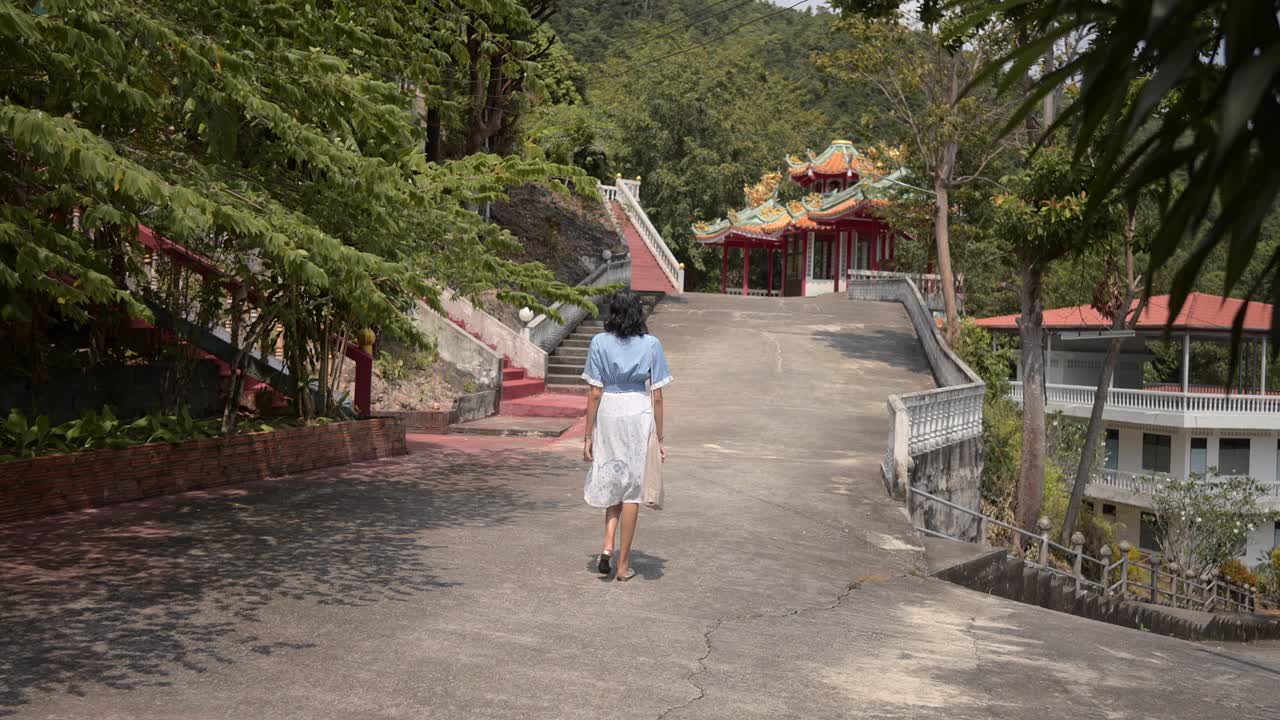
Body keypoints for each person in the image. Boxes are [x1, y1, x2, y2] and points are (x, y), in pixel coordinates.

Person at [581, 290, 672, 582]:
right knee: (633, 490)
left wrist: (587, 435)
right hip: (637, 412)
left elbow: (594, 392)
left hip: (609, 411)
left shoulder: (598, 342)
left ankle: (608, 545)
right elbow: (657, 396)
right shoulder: (651, 344)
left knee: (613, 475)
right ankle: (622, 566)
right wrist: (660, 438)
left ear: (613, 312)